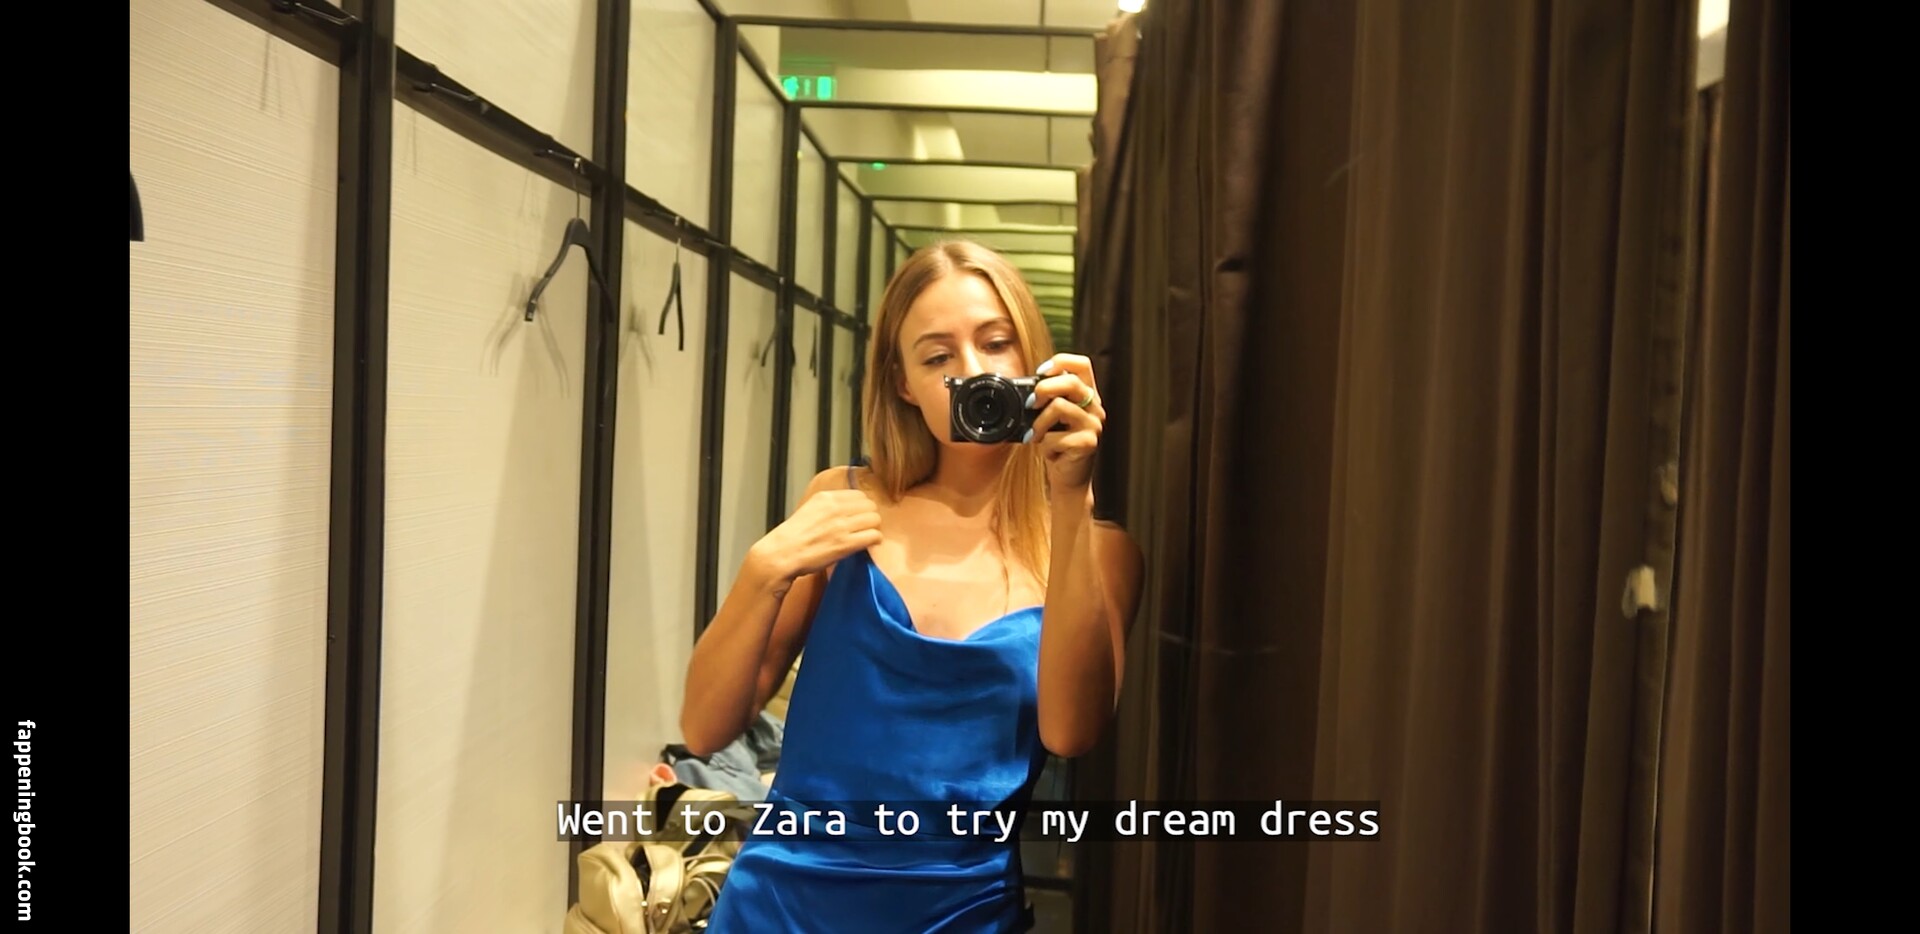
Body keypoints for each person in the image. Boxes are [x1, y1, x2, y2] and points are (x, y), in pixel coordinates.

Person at [681, 240, 1144, 932]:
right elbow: (703, 728)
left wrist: (1071, 494)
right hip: (780, 905)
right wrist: (763, 571)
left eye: (996, 343)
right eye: (937, 357)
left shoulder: (1098, 550)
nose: (975, 372)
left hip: (962, 914)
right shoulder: (843, 501)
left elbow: (1071, 733)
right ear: (903, 384)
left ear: (1036, 358)